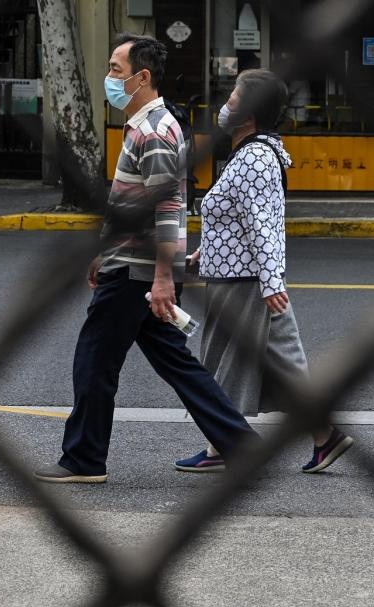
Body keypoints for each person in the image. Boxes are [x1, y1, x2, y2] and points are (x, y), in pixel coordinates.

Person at [35, 34, 258, 484]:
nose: (109, 78)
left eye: (116, 70)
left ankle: (83, 459)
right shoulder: (146, 124)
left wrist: (160, 279)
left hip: (137, 274)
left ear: (143, 77)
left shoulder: (153, 131)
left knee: (94, 362)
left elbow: (167, 208)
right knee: (178, 363)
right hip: (133, 265)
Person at [177, 69, 354, 475]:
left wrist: (271, 281)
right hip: (241, 275)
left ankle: (222, 445)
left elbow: (264, 225)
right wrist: (206, 252)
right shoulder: (249, 152)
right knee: (285, 366)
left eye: (235, 97)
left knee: (221, 362)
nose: (227, 104)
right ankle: (324, 435)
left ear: (251, 112)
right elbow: (239, 219)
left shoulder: (255, 157)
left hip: (244, 282)